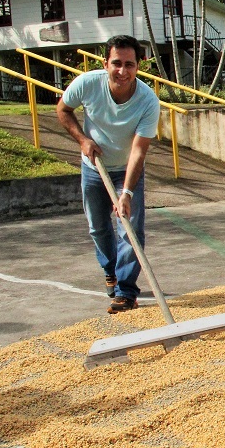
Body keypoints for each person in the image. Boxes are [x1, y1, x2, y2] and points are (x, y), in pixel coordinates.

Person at [57, 35, 161, 314]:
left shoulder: (147, 101)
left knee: (130, 228)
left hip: (127, 168)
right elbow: (63, 109)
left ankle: (126, 292)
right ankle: (110, 270)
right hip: (94, 167)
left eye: (130, 64)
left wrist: (126, 192)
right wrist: (82, 139)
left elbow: (139, 151)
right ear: (106, 63)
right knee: (98, 227)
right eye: (117, 63)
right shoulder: (88, 84)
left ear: (139, 66)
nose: (122, 71)